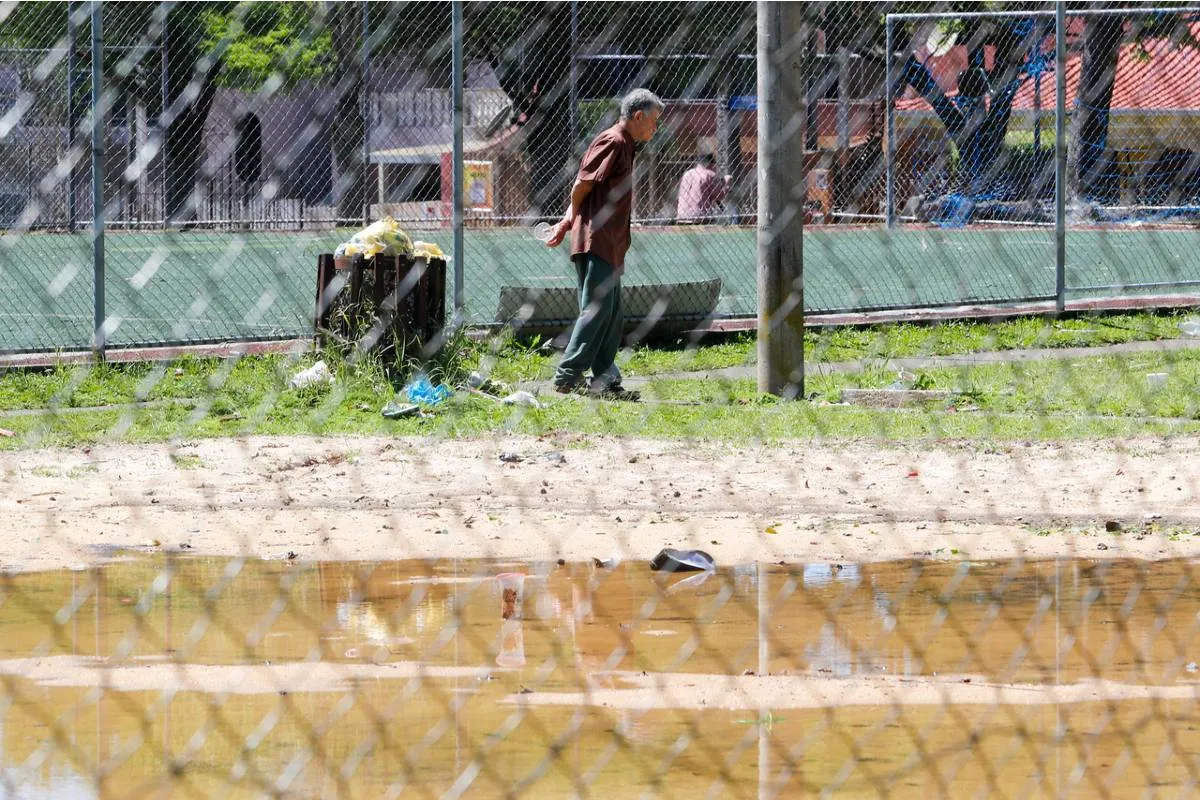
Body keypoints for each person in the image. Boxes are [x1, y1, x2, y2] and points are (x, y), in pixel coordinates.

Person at [544, 88, 664, 399]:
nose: (656, 127)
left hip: (610, 243)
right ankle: (567, 375)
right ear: (638, 116)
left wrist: (566, 223)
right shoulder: (613, 141)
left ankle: (605, 377)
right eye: (654, 121)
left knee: (611, 314)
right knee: (597, 310)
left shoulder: (627, 144)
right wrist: (566, 223)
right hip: (596, 239)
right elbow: (582, 185)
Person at [675, 152, 731, 223]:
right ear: (711, 164)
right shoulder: (709, 174)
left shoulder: (687, 173)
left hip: (681, 216)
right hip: (700, 218)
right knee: (721, 222)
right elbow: (720, 196)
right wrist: (726, 182)